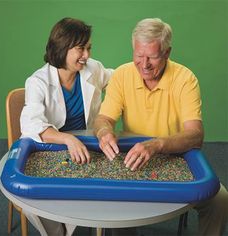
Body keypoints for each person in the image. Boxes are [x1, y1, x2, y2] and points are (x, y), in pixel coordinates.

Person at [94, 18, 228, 236]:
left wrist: (156, 145)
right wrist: (104, 131)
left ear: (167, 53)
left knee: (220, 200)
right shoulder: (121, 74)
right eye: (139, 56)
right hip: (132, 159)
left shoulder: (185, 79)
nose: (144, 64)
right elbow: (103, 119)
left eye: (152, 57)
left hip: (175, 157)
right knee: (114, 205)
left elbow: (195, 136)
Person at [20, 17, 113, 236]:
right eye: (81, 49)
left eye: (89, 48)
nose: (87, 56)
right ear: (62, 47)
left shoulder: (93, 69)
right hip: (52, 147)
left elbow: (120, 80)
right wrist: (68, 139)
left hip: (88, 145)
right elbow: (32, 125)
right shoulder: (37, 81)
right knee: (42, 195)